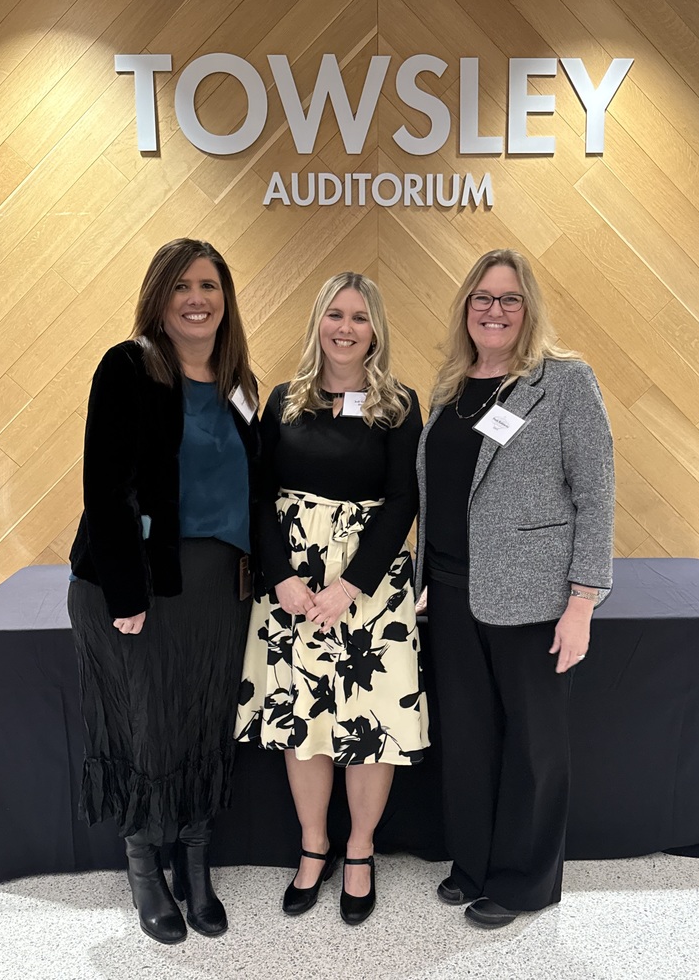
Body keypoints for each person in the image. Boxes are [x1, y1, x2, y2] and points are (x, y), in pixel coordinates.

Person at [415, 248, 614, 928]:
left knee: (534, 747)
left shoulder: (564, 381)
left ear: (528, 308)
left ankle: (524, 882)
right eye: (482, 298)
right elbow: (443, 490)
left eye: (508, 299)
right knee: (468, 740)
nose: (493, 311)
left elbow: (595, 495)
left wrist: (582, 601)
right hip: (450, 594)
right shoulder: (450, 385)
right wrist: (426, 576)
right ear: (465, 308)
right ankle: (473, 863)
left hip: (533, 598)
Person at [68, 238, 259, 945]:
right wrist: (127, 593)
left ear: (225, 298)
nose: (197, 298)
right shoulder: (128, 366)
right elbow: (105, 487)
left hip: (220, 590)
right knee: (148, 728)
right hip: (142, 586)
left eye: (209, 285)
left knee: (205, 723)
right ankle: (145, 868)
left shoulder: (241, 382)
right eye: (181, 285)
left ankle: (196, 865)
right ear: (159, 296)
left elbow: (255, 486)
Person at [235, 272, 428, 925]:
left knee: (371, 723)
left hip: (368, 589)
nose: (346, 328)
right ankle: (313, 846)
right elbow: (258, 494)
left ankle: (360, 850)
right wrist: (281, 577)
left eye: (360, 317)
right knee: (305, 723)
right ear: (318, 321)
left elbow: (403, 500)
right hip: (292, 587)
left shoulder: (398, 404)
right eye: (335, 314)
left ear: (376, 330)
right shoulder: (285, 400)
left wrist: (349, 585)